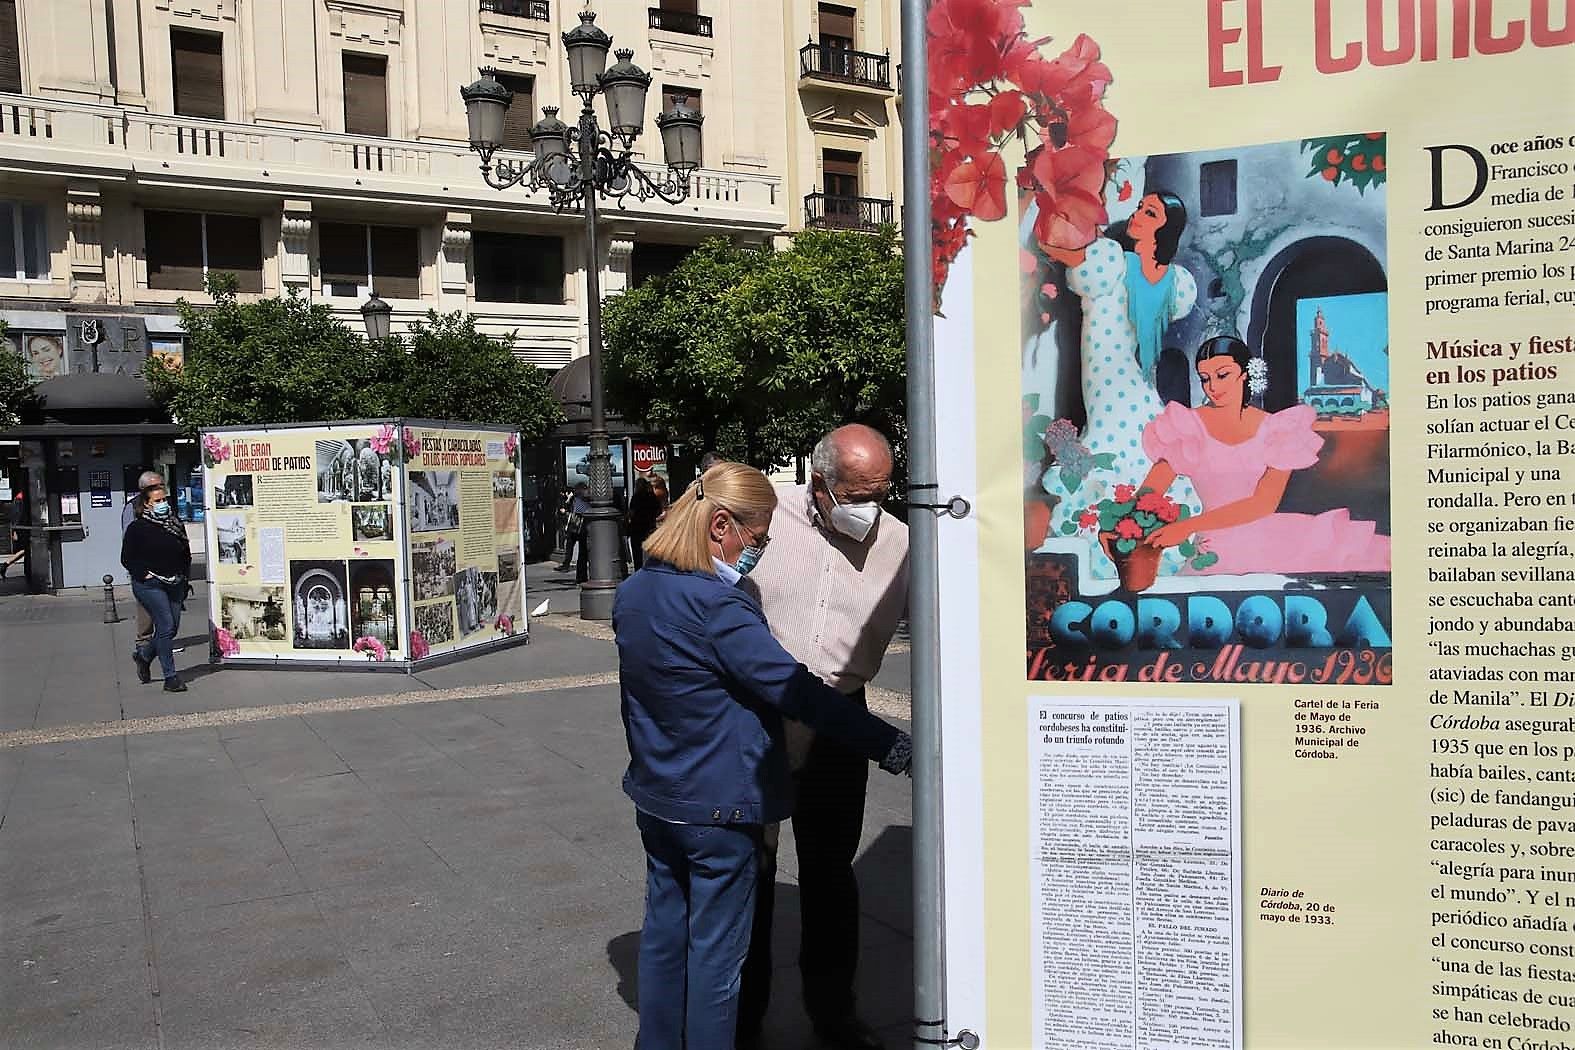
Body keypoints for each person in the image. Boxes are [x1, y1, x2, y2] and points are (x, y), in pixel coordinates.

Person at [614, 462, 912, 1050]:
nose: (763, 548)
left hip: (659, 797)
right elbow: (792, 689)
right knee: (718, 963)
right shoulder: (717, 608)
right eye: (759, 537)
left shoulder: (636, 590)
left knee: (665, 941)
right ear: (720, 525)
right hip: (721, 806)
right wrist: (888, 743)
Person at [737, 424, 910, 1050]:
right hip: (758, 714)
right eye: (858, 493)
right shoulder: (765, 516)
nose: (871, 507)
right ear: (819, 483)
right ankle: (742, 1016)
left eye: (881, 492)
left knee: (831, 870)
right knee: (751, 870)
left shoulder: (901, 543)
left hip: (840, 713)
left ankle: (835, 1013)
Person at [1038, 191, 1202, 577]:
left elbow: (1061, 251)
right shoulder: (1171, 281)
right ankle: (1134, 548)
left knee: (1114, 447)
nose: (1138, 214)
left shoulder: (1111, 260)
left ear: (1165, 228)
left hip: (1115, 386)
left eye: (1150, 212)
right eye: (1140, 207)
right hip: (1124, 388)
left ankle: (1118, 552)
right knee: (1127, 448)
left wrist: (1045, 232)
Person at [1137, 336, 1390, 574]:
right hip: (1212, 550)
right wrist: (1116, 528)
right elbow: (1148, 494)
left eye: (1222, 375)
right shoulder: (1187, 427)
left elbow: (1263, 504)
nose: (1213, 386)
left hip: (1271, 542)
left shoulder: (1279, 429)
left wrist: (1187, 526)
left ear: (1245, 374)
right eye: (1205, 378)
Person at [120, 476, 192, 692]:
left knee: (171, 629)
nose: (163, 504)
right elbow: (127, 558)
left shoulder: (175, 524)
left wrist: (184, 577)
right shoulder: (137, 528)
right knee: (166, 625)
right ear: (147, 504)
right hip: (150, 584)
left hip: (175, 582)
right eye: (158, 500)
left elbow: (185, 553)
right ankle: (171, 677)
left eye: (164, 500)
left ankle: (144, 655)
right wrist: (144, 574)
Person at [121, 472, 165, 657]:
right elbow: (128, 542)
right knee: (146, 607)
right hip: (144, 568)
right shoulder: (132, 508)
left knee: (166, 611)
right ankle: (144, 642)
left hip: (164, 566)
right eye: (155, 486)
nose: (159, 488)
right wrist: (139, 570)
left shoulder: (164, 503)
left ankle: (161, 641)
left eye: (161, 484)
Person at [625, 474, 669, 570]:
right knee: (648, 553)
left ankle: (638, 571)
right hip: (649, 527)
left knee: (637, 555)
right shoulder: (652, 497)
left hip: (636, 528)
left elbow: (631, 513)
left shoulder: (636, 497)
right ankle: (649, 570)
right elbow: (658, 511)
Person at [557, 482, 591, 580]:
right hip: (583, 528)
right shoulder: (586, 500)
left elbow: (575, 512)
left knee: (571, 547)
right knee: (582, 553)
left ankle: (567, 565)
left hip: (576, 527)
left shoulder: (577, 500)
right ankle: (581, 576)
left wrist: (567, 511)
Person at [1, 491, 24, 579]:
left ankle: (5, 565)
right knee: (26, 549)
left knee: (24, 550)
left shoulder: (18, 499)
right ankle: (5, 564)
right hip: (20, 528)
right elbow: (17, 516)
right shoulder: (20, 500)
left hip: (19, 527)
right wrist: (14, 531)